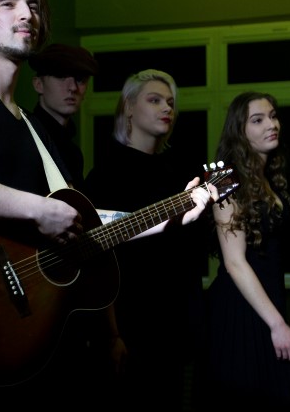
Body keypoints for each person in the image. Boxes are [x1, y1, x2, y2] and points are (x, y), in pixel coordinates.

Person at [0, 0, 216, 411]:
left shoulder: (39, 131)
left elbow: (80, 223)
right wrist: (37, 209)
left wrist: (165, 218)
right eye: (8, 3)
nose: (26, 13)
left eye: (32, 5)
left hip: (40, 338)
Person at [82, 69, 212, 411]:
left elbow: (188, 256)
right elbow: (97, 258)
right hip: (130, 321)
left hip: (175, 323)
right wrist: (110, 334)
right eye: (154, 100)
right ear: (128, 107)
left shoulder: (179, 172)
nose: (166, 108)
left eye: (170, 102)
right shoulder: (106, 174)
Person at [199, 91, 290, 411]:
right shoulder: (223, 180)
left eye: (273, 116)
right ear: (239, 131)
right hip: (239, 311)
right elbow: (234, 263)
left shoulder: (271, 179)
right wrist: (277, 324)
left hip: (268, 302)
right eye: (258, 120)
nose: (272, 124)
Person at [27, 42, 99, 191]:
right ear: (38, 84)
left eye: (80, 79)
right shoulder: (26, 138)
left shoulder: (73, 152)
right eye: (61, 76)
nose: (73, 87)